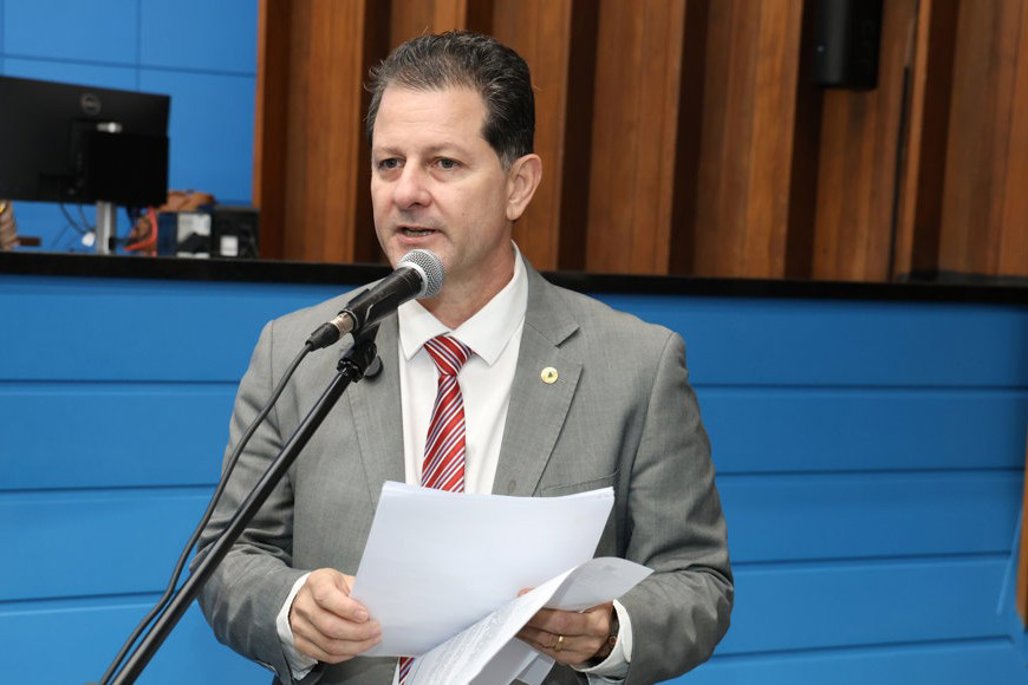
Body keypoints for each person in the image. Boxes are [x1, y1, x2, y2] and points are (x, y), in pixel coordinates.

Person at [196, 31, 732, 685]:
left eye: (444, 163)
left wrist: (610, 631)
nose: (406, 192)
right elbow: (227, 559)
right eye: (388, 163)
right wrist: (290, 610)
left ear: (518, 185)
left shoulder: (636, 365)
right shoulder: (305, 349)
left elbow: (697, 581)